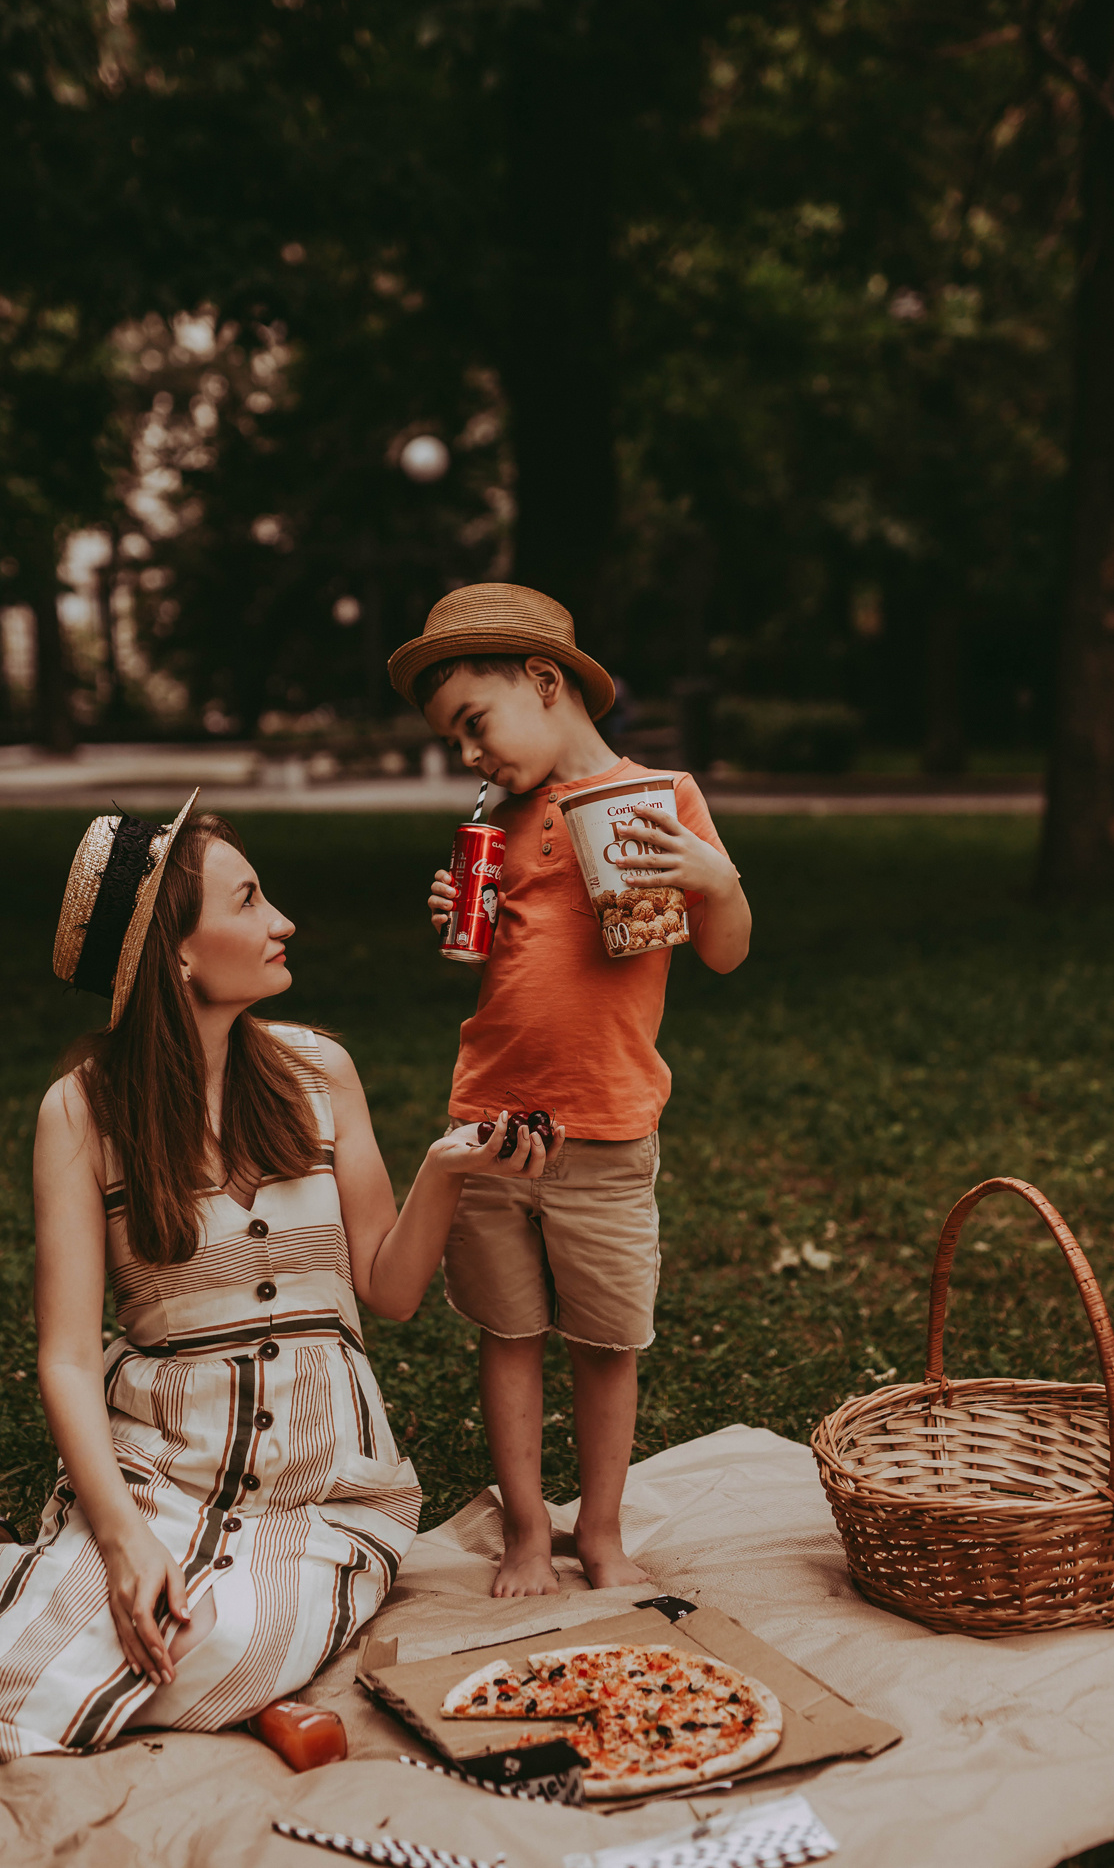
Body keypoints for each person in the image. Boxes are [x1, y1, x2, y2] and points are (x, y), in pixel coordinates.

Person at [0, 797, 557, 1759]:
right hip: (161, 1466)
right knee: (3, 1676)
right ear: (179, 955)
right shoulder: (79, 1111)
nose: (283, 921)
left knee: (210, 1644)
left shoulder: (320, 1070)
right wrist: (122, 1539)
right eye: (249, 899)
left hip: (323, 1482)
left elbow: (390, 1291)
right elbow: (66, 1358)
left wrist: (446, 1170)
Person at [388, 584, 751, 1600]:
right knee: (508, 1333)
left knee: (604, 1341)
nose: (468, 754)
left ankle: (598, 1528)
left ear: (544, 682)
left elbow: (724, 952)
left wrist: (715, 880)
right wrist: (458, 917)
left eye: (475, 724)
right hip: (490, 1121)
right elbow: (499, 959)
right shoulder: (493, 822)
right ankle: (521, 1529)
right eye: (453, 740)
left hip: (606, 1122)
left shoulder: (660, 799)